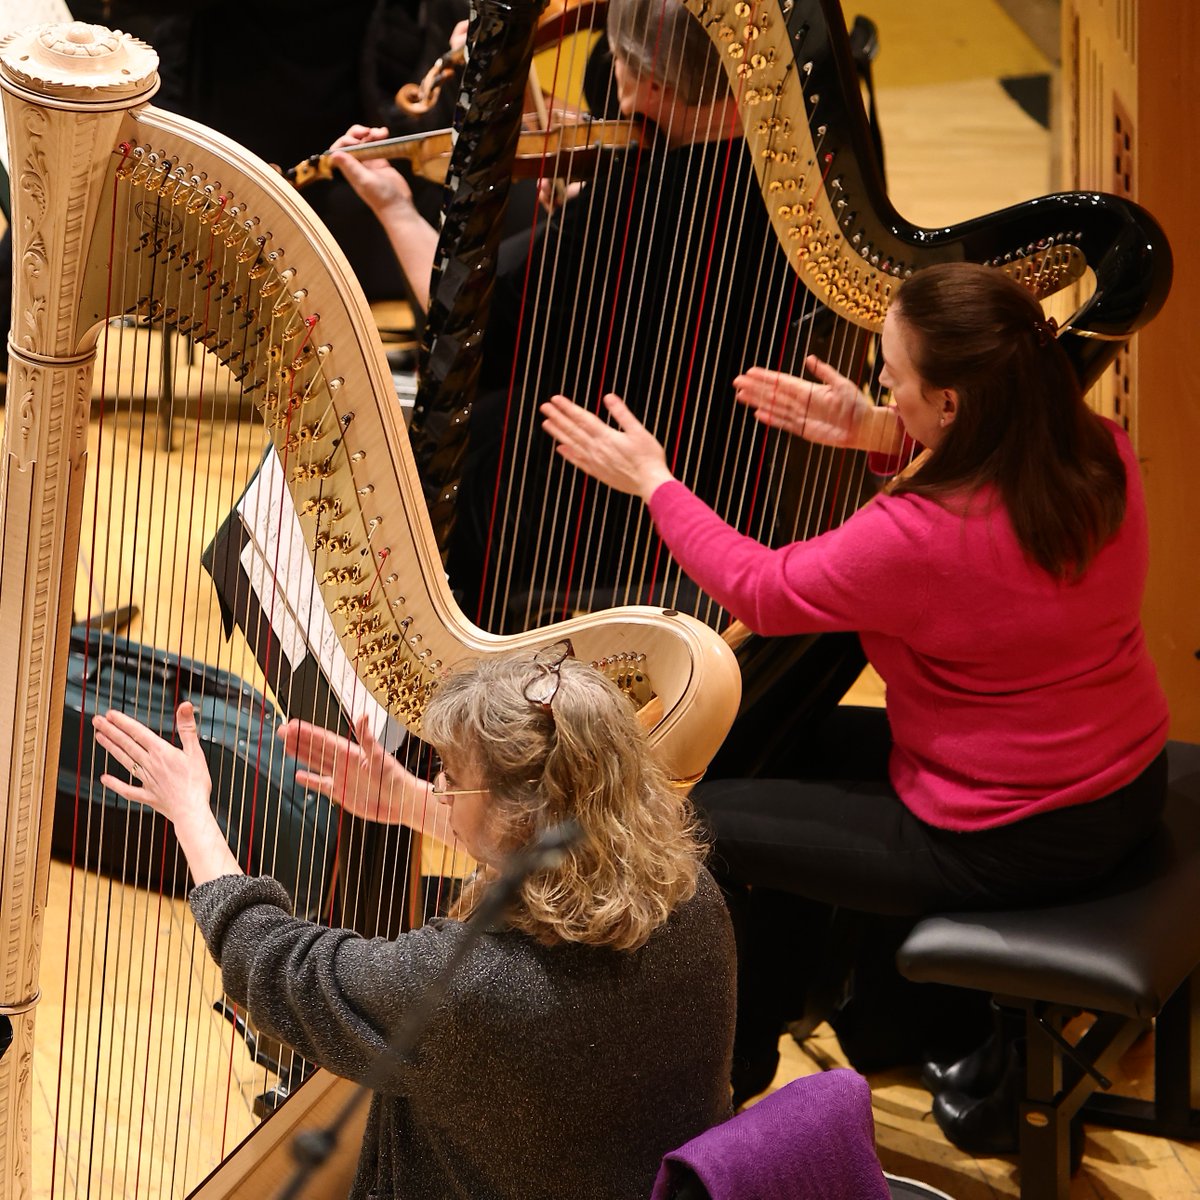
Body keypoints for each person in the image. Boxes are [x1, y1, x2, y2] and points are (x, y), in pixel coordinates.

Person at [541, 261, 1170, 1145]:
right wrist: (875, 430)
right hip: (1119, 781)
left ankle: (730, 1065)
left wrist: (654, 481)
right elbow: (982, 484)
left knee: (693, 814)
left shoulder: (920, 536)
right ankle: (808, 1014)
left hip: (1008, 835)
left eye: (892, 377)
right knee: (789, 749)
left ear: (949, 403)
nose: (880, 383)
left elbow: (762, 590)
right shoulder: (1094, 451)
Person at [91, 647, 736, 1199]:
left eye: (451, 778)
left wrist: (190, 811)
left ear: (518, 813)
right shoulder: (693, 895)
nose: (440, 788)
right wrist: (413, 804)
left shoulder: (472, 987)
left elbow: (277, 964)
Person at [330, 0, 828, 630]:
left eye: (617, 60)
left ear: (650, 84)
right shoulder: (794, 171)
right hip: (734, 467)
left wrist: (395, 207)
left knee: (392, 476)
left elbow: (469, 323)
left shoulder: (630, 201)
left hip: (603, 508)